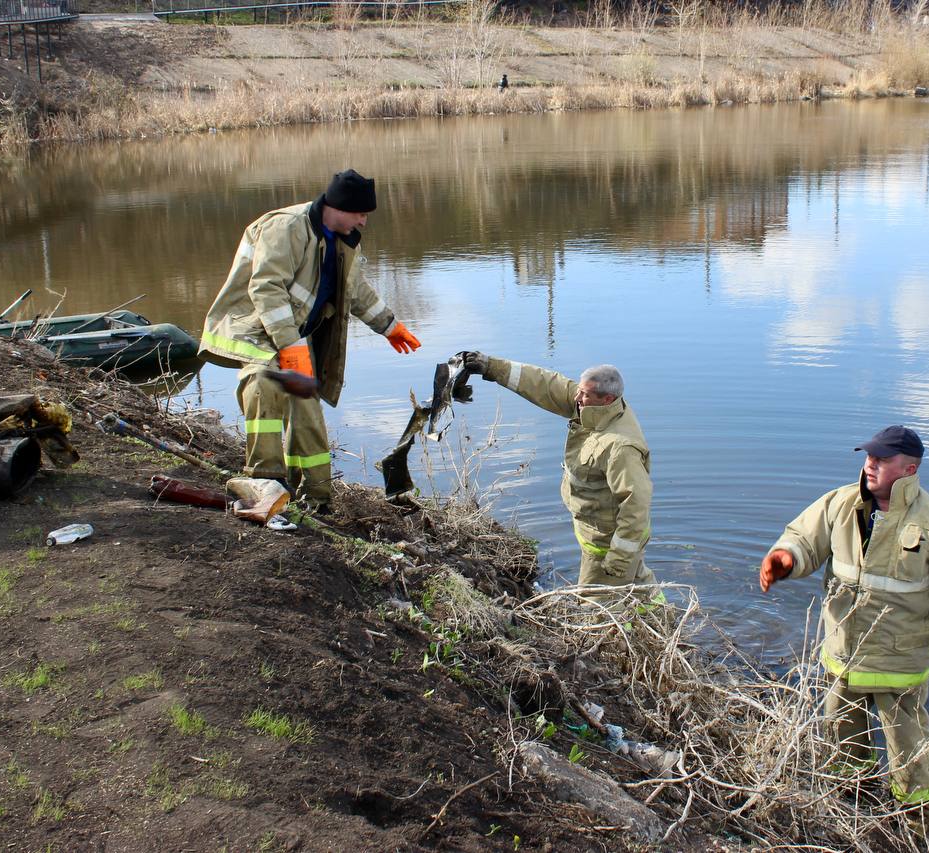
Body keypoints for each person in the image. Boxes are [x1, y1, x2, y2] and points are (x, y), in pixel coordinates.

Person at [758, 425, 929, 826]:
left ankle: (919, 823)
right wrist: (784, 559)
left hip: (897, 665)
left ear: (910, 468)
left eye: (882, 459)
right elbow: (803, 539)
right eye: (868, 456)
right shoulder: (840, 504)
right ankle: (848, 805)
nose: (870, 464)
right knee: (841, 741)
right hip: (842, 658)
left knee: (909, 752)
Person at [199, 169, 422, 510]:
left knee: (306, 404)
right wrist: (289, 346)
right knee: (262, 382)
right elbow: (266, 289)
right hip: (254, 329)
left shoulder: (343, 240)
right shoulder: (285, 227)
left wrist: (389, 325)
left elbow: (355, 290)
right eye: (360, 213)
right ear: (339, 207)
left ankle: (317, 496)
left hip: (294, 334)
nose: (363, 222)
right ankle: (265, 481)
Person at [462, 353, 655, 590]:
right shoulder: (591, 408)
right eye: (580, 391)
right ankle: (659, 614)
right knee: (637, 588)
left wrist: (620, 558)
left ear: (607, 399)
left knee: (596, 604)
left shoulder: (620, 447)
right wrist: (490, 367)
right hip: (599, 532)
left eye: (584, 394)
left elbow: (637, 503)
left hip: (608, 543)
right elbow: (545, 384)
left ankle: (620, 619)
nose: (577, 398)